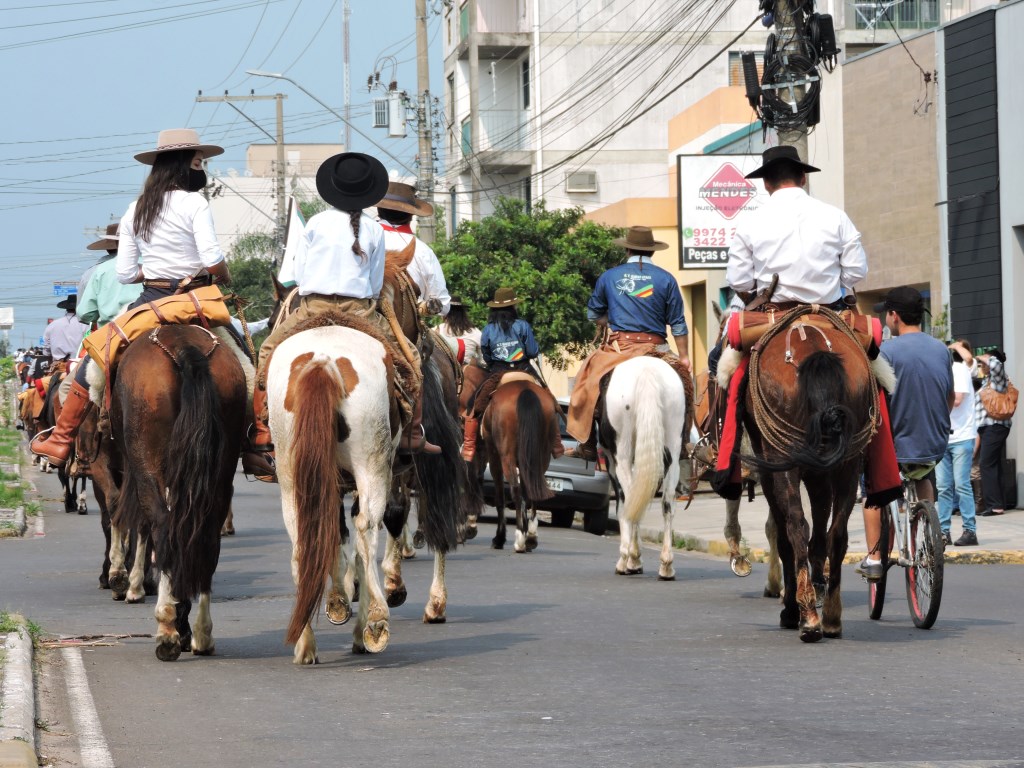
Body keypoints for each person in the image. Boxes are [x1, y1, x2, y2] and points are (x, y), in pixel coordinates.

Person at [31, 128, 231, 467]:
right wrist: (223, 273)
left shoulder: (136, 208)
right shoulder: (196, 202)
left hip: (150, 300)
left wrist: (150, 273)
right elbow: (211, 258)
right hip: (197, 299)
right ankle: (257, 441)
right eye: (198, 163)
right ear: (183, 165)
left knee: (96, 358)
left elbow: (125, 273)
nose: (202, 171)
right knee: (244, 361)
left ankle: (61, 438)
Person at [711, 145, 893, 504]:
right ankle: (884, 470)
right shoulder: (835, 216)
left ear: (766, 184)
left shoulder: (750, 223)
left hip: (772, 318)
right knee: (879, 378)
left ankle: (726, 458)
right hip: (831, 317)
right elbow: (857, 271)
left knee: (725, 377)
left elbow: (740, 281)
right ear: (804, 177)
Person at [245, 151, 440, 483]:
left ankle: (263, 428)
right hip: (360, 312)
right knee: (411, 363)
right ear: (368, 193)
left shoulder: (317, 223)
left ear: (333, 189)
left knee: (267, 353)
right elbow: (377, 282)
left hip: (312, 308)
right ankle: (411, 431)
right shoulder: (374, 230)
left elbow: (299, 274)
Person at [565, 225, 692, 462]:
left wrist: (611, 319)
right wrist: (684, 357)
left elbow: (593, 315)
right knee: (686, 386)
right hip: (658, 348)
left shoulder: (609, 277)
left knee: (584, 384)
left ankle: (588, 444)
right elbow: (678, 325)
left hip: (619, 347)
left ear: (628, 251)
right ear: (652, 251)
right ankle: (685, 442)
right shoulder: (667, 279)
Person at [856, 286, 954, 580]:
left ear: (894, 316)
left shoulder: (884, 352)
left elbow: (871, 403)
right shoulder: (941, 349)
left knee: (872, 490)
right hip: (933, 445)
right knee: (923, 477)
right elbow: (949, 398)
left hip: (895, 448)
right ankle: (926, 530)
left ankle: (874, 558)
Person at [460, 287, 564, 462]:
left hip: (498, 372)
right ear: (513, 307)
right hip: (524, 369)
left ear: (494, 309)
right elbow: (532, 351)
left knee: (475, 405)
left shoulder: (488, 329)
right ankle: (557, 445)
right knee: (549, 400)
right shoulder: (523, 325)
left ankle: (469, 447)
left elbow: (486, 355)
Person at [375, 181, 451, 318]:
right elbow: (443, 306)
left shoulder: (362, 239)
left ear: (379, 210)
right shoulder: (424, 251)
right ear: (411, 215)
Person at [936, 340, 979, 546]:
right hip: (944, 437)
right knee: (943, 487)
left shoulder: (958, 368)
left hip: (961, 436)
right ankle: (944, 532)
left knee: (961, 485)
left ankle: (970, 531)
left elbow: (958, 399)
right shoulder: (939, 371)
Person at [975, 348, 1012, 517]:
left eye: (983, 362)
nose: (981, 365)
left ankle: (994, 505)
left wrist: (983, 357)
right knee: (994, 464)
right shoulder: (988, 381)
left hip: (995, 425)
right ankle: (999, 503)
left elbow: (996, 365)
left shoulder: (999, 377)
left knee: (986, 464)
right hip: (988, 427)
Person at [437, 296, 483, 367]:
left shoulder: (437, 330)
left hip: (443, 371)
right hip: (467, 372)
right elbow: (483, 361)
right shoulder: (476, 332)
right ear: (463, 313)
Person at [42, 295, 88, 364]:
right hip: (77, 364)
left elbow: (46, 351)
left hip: (58, 365)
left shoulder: (52, 325)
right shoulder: (85, 325)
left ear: (66, 308)